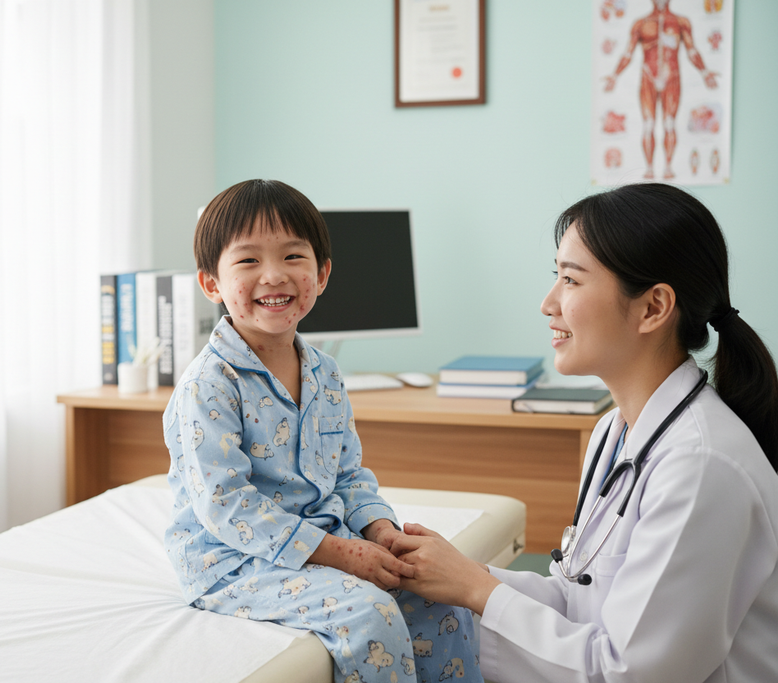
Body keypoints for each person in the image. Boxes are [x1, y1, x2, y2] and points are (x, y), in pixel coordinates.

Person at [392, 183, 778, 682]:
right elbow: (581, 597)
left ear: (654, 307)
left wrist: (476, 592)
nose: (548, 303)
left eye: (571, 281)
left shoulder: (701, 466)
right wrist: (462, 576)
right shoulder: (615, 431)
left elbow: (629, 673)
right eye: (556, 277)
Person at [163, 179, 481, 683]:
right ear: (212, 284)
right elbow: (226, 505)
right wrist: (341, 554)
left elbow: (348, 475)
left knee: (438, 597)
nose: (273, 275)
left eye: (293, 256)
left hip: (327, 539)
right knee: (369, 615)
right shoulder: (209, 384)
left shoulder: (325, 373)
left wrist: (381, 531)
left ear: (323, 273)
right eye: (247, 261)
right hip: (233, 562)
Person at [604, 0, 718, 179]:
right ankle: (649, 168)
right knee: (648, 125)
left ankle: (668, 167)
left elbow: (692, 51)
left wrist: (704, 72)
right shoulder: (641, 23)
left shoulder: (681, 22)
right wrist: (615, 75)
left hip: (671, 78)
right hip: (648, 77)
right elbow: (628, 53)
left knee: (669, 124)